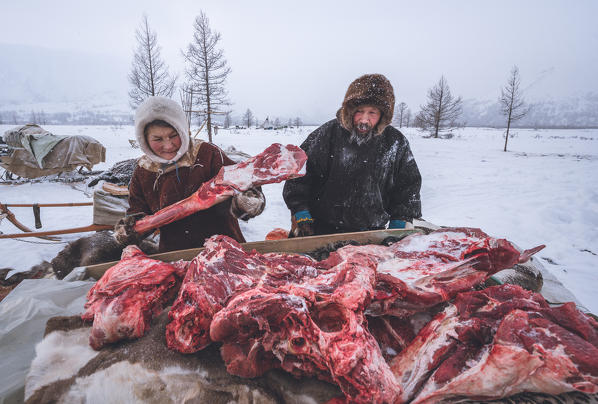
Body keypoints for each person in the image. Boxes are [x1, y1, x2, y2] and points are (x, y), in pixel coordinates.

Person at [114, 96, 265, 252]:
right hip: (176, 255)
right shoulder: (143, 171)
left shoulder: (207, 154)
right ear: (144, 139)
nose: (168, 145)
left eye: (173, 135)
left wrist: (246, 201)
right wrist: (129, 230)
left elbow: (243, 184)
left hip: (225, 250)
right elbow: (138, 214)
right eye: (157, 139)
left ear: (183, 131)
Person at [283, 74, 421, 237]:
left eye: (372, 113)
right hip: (321, 230)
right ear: (349, 110)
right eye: (359, 111)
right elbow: (299, 174)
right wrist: (300, 211)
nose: (364, 119)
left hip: (372, 233)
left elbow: (408, 187)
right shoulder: (328, 134)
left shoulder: (395, 142)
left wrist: (399, 221)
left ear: (383, 115)